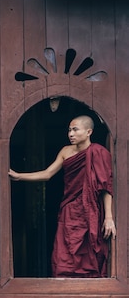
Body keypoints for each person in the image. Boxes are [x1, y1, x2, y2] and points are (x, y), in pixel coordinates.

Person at [9, 115, 116, 278]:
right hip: (70, 209)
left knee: (89, 250)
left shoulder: (98, 152)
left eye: (75, 130)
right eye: (69, 130)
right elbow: (47, 173)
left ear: (89, 132)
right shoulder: (66, 151)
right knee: (64, 249)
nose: (71, 134)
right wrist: (20, 176)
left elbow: (105, 186)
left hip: (91, 211)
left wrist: (109, 218)